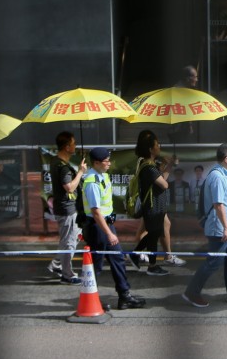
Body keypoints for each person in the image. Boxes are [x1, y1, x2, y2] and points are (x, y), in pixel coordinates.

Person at [183, 143, 227, 308]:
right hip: (221, 229)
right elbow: (218, 204)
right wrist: (226, 227)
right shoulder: (216, 177)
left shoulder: (224, 174)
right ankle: (191, 293)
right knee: (214, 262)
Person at [80, 147, 146, 310]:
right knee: (95, 265)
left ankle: (124, 296)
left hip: (106, 225)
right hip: (98, 228)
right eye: (106, 161)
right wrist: (109, 233)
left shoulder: (102, 175)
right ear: (96, 163)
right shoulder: (92, 182)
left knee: (117, 259)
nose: (109, 163)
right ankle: (91, 299)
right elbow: (96, 212)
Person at [129, 132, 177, 277]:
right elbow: (164, 184)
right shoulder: (148, 167)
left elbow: (162, 180)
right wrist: (167, 168)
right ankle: (149, 263)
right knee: (154, 234)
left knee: (154, 233)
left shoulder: (151, 165)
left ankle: (139, 257)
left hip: (157, 206)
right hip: (152, 207)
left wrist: (168, 166)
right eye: (157, 144)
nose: (159, 147)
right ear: (150, 149)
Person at [47, 132, 86, 284]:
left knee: (71, 237)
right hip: (67, 208)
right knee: (69, 241)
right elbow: (69, 188)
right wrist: (81, 172)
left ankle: (57, 264)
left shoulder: (56, 161)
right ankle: (67, 275)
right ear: (66, 147)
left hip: (66, 207)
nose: (75, 146)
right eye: (73, 143)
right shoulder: (62, 167)